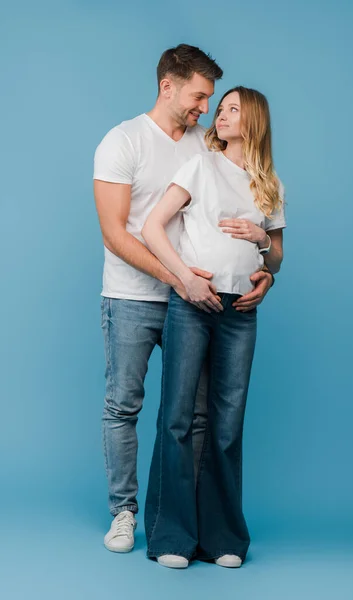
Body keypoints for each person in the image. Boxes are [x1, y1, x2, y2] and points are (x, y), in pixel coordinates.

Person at [142, 86, 286, 569]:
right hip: (192, 302)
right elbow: (152, 227)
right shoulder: (201, 165)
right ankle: (171, 538)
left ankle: (222, 537)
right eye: (218, 109)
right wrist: (184, 277)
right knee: (179, 418)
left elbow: (278, 259)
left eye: (231, 110)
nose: (219, 116)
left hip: (241, 312)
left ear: (255, 121)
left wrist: (264, 245)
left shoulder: (269, 184)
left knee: (226, 425)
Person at [93, 44, 224, 553]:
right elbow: (115, 234)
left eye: (210, 99)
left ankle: (179, 518)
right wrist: (177, 277)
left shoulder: (204, 145)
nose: (204, 108)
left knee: (193, 415)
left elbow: (222, 210)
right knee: (123, 406)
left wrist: (263, 265)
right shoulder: (122, 141)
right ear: (167, 85)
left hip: (193, 302)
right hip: (130, 299)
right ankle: (123, 514)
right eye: (198, 96)